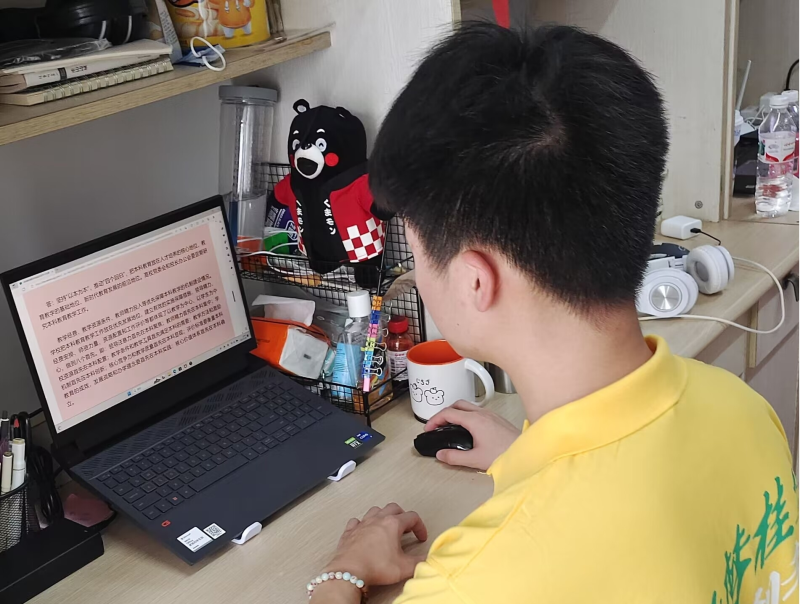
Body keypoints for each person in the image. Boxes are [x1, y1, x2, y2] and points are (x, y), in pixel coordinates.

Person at [308, 23, 798, 604]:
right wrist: (529, 458)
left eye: (415, 253)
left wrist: (341, 572)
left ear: (474, 281)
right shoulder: (742, 408)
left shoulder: (478, 582)